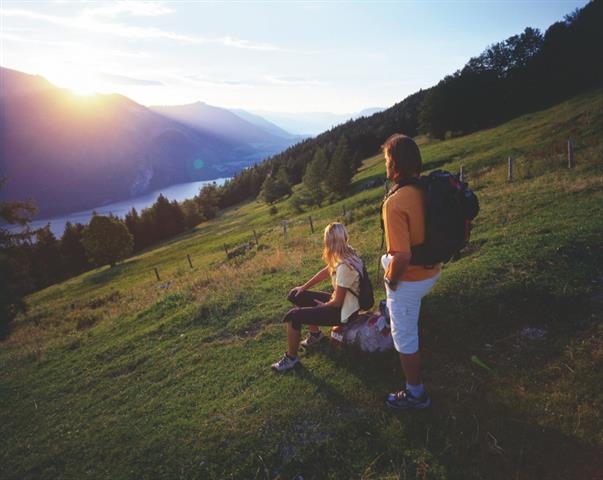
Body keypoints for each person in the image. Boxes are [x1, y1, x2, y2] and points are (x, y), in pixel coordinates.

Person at [381, 133, 441, 410]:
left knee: (404, 336)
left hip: (412, 279)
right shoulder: (426, 189)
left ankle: (416, 394)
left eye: (386, 160)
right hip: (433, 269)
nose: (385, 165)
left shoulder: (395, 202)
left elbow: (402, 255)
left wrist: (391, 281)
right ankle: (392, 308)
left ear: (394, 164)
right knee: (386, 260)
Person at [271, 222, 362, 372]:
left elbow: (337, 302)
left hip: (344, 313)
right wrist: (303, 287)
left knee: (293, 316)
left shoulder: (345, 266)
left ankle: (291, 359)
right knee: (296, 295)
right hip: (344, 305)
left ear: (329, 241)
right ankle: (315, 336)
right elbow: (326, 271)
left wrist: (322, 306)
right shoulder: (347, 255)